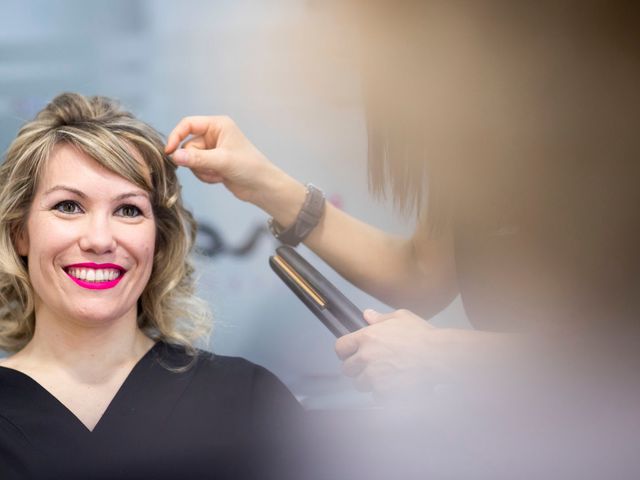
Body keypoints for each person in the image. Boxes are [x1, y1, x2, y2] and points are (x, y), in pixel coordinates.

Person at [164, 3, 640, 475]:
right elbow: (421, 272)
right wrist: (264, 183)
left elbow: (615, 354)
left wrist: (445, 354)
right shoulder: (473, 131)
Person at [0, 93, 302, 480]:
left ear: (158, 241)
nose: (99, 239)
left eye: (128, 210)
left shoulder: (247, 398)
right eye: (68, 206)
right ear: (19, 233)